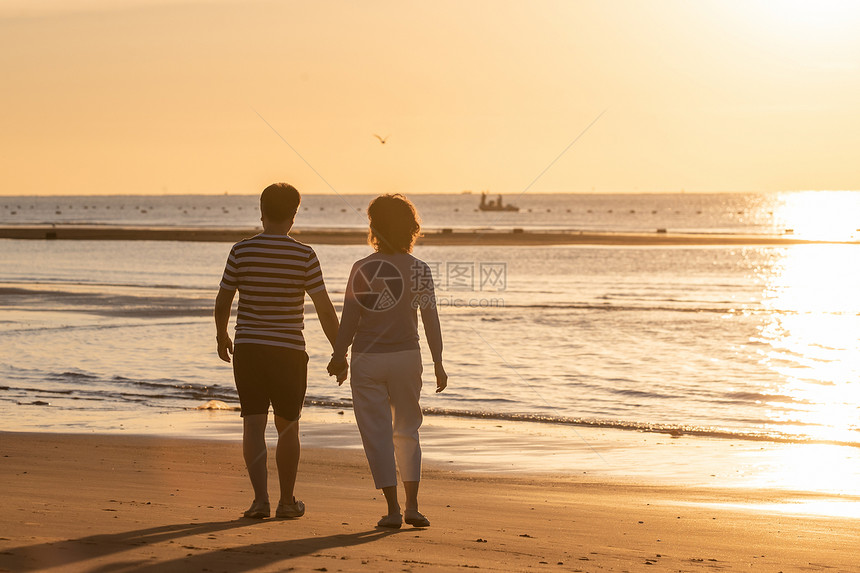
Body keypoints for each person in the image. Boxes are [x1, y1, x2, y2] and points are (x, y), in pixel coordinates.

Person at [214, 183, 344, 519]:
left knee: (253, 425)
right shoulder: (304, 255)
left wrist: (221, 335)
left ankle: (260, 502)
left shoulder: (241, 252)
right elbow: (325, 308)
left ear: (262, 210)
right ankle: (287, 502)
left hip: (250, 349)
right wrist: (340, 351)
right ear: (293, 214)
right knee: (288, 427)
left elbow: (224, 298)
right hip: (288, 351)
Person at [327, 193, 447, 529]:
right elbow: (430, 319)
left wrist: (339, 356)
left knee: (377, 434)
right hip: (408, 358)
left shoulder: (362, 268)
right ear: (412, 229)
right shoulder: (419, 269)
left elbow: (350, 319)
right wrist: (438, 361)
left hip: (368, 359)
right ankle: (413, 507)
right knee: (407, 431)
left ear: (374, 227)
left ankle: (393, 510)